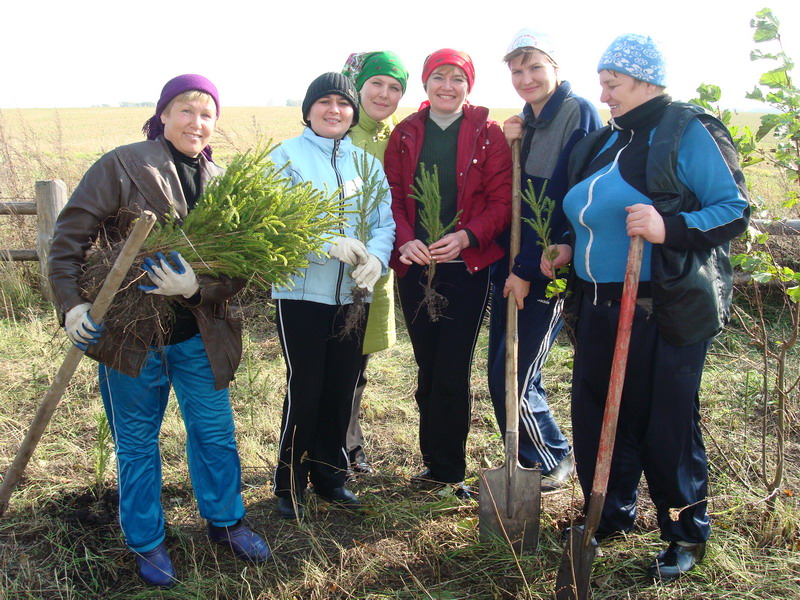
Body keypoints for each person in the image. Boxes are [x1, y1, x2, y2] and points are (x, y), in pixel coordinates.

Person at [48, 74, 270, 588]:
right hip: (131, 338)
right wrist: (72, 305)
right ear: (164, 114)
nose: (197, 122)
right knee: (137, 443)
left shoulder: (223, 183)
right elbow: (68, 239)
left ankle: (226, 522)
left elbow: (244, 266)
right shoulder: (122, 164)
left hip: (199, 337)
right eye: (186, 110)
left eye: (207, 113)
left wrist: (197, 287)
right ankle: (147, 542)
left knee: (214, 434)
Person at [543, 34, 749, 580]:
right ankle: (609, 512)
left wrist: (669, 227)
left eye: (613, 82)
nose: (603, 93)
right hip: (597, 306)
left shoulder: (685, 129)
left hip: (662, 308)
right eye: (603, 82)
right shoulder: (607, 142)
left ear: (647, 80)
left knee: (667, 426)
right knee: (598, 417)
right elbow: (588, 212)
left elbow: (733, 210)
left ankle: (683, 531)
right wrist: (568, 247)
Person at [385, 49, 511, 499]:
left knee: (453, 369)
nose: (448, 86)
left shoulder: (487, 134)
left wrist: (466, 236)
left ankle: (451, 471)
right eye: (439, 77)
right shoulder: (405, 134)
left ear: (468, 86)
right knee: (427, 365)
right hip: (416, 268)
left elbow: (501, 202)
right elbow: (394, 196)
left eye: (457, 78)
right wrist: (405, 238)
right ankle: (432, 466)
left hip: (466, 270)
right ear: (426, 83)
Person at [271, 72, 395, 520]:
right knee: (306, 387)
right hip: (301, 292)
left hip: (353, 296)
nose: (334, 110)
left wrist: (377, 258)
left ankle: (330, 477)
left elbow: (385, 222)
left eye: (343, 104)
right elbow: (275, 218)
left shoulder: (366, 163)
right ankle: (289, 483)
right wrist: (324, 241)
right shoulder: (285, 157)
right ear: (308, 110)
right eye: (324, 102)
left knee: (342, 386)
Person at [488, 29, 602, 491]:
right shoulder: (528, 122)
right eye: (517, 70)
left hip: (545, 266)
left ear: (556, 67)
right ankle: (529, 457)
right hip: (513, 262)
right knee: (501, 366)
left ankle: (553, 455)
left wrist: (527, 269)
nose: (526, 77)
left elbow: (563, 199)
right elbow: (513, 196)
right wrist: (509, 139)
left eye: (535, 67)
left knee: (513, 372)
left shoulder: (578, 115)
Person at [340, 51, 408, 476]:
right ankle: (326, 446)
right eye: (376, 84)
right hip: (330, 262)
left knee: (357, 364)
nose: (385, 94)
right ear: (358, 87)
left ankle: (350, 447)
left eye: (395, 87)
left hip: (376, 265)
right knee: (330, 361)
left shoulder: (399, 136)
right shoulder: (337, 131)